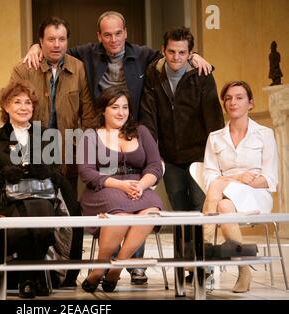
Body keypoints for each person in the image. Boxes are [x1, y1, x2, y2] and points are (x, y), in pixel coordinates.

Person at [24, 11, 212, 284]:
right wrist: (34, 47)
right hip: (101, 136)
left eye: (118, 33)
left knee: (141, 197)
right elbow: (57, 47)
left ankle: (130, 265)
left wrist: (194, 56)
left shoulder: (144, 54)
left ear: (126, 33)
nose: (113, 39)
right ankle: (108, 266)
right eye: (107, 34)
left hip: (132, 133)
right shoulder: (86, 54)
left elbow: (174, 56)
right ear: (99, 36)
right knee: (121, 205)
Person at [0, 80, 80, 298]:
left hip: (42, 197)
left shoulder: (46, 136)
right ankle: (35, 277)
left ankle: (28, 279)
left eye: (28, 103)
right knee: (31, 219)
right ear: (6, 107)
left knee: (39, 212)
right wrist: (5, 174)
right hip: (8, 202)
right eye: (17, 102)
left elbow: (58, 177)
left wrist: (45, 171)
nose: (24, 107)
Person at [140, 27, 224, 282]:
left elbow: (214, 120)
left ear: (190, 53)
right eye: (172, 52)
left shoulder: (202, 74)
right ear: (163, 50)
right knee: (179, 211)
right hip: (170, 157)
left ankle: (204, 267)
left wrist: (215, 158)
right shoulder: (153, 74)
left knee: (200, 209)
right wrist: (154, 156)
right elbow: (148, 116)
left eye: (183, 53)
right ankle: (185, 265)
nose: (177, 58)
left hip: (200, 154)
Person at [77, 85, 163, 293]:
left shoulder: (141, 131)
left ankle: (117, 266)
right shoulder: (89, 135)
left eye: (125, 107)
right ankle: (100, 266)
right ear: (103, 110)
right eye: (115, 107)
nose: (121, 112)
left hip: (138, 187)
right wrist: (120, 185)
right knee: (119, 210)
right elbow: (86, 172)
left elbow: (154, 165)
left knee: (152, 210)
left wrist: (142, 185)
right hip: (104, 187)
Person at [202, 80, 279, 293]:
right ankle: (244, 269)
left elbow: (270, 179)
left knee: (218, 188)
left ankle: (204, 250)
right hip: (223, 197)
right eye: (228, 98)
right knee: (224, 206)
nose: (233, 102)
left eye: (239, 97)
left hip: (256, 195)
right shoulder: (215, 138)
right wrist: (237, 178)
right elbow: (209, 176)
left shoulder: (264, 134)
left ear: (251, 103)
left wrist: (238, 181)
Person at [10, 16, 96, 193]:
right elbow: (11, 108)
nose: (57, 45)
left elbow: (88, 114)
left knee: (68, 207)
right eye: (51, 39)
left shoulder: (78, 68)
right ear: (40, 41)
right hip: (32, 149)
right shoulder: (24, 68)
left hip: (67, 149)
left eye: (62, 39)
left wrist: (85, 148)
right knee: (37, 205)